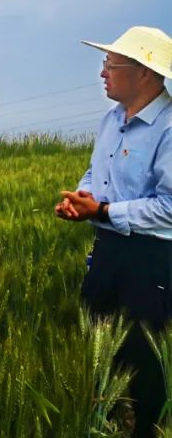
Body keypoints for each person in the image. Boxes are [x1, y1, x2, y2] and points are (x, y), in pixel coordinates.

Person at [55, 26, 172, 438]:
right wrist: (80, 200)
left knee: (144, 366)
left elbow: (170, 208)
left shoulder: (169, 128)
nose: (103, 72)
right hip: (106, 250)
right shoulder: (110, 120)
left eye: (111, 64)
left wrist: (103, 210)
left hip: (152, 262)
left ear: (143, 72)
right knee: (97, 351)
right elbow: (96, 173)